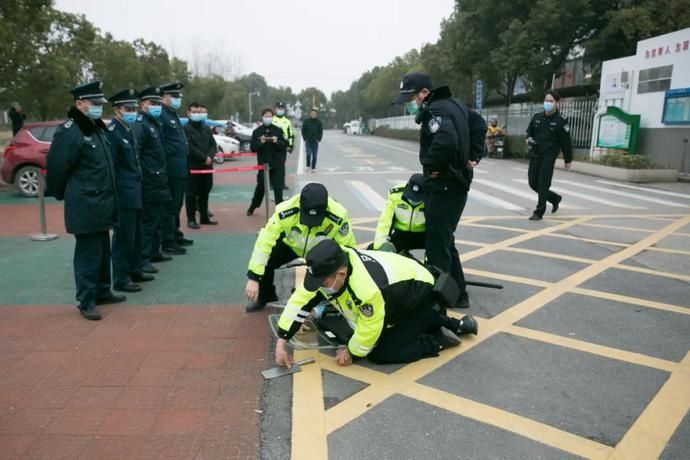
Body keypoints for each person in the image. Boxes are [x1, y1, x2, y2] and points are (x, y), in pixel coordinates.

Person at [275, 239, 478, 366]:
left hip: (421, 298)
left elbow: (370, 328)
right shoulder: (332, 267)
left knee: (382, 352)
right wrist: (281, 342)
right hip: (399, 294)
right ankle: (454, 324)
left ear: (341, 274)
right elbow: (300, 300)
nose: (320, 286)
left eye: (323, 282)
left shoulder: (367, 289)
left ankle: (436, 340)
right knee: (355, 328)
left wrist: (352, 352)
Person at [392, 72, 486, 309]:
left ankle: (439, 301)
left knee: (436, 246)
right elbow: (478, 123)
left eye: (412, 98)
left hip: (445, 185)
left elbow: (446, 141)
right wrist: (473, 155)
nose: (412, 105)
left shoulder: (436, 111)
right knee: (444, 240)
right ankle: (459, 293)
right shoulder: (453, 104)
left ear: (424, 93)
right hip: (454, 184)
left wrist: (430, 166)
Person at [45, 81, 125, 320]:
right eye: (94, 103)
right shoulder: (71, 130)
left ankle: (102, 290)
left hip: (101, 202)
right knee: (88, 254)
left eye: (100, 103)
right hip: (86, 204)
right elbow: (57, 167)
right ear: (79, 104)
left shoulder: (94, 127)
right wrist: (65, 194)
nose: (99, 107)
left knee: (101, 249)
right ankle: (86, 299)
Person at [244, 182, 355, 312]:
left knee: (338, 265)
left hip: (319, 251)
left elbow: (348, 249)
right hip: (291, 246)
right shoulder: (284, 210)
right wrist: (254, 278)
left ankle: (329, 300)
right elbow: (264, 243)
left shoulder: (339, 215)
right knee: (267, 259)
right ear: (300, 206)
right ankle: (266, 295)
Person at [107, 88, 154, 293]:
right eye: (128, 108)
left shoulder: (128, 128)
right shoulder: (113, 132)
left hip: (135, 190)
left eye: (135, 108)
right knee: (123, 237)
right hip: (123, 194)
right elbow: (113, 167)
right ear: (117, 110)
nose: (133, 112)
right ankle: (121, 278)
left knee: (136, 235)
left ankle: (135, 270)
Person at [133, 86, 172, 272]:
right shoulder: (141, 124)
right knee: (148, 222)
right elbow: (137, 153)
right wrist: (146, 175)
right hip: (149, 181)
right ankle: (143, 258)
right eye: (152, 103)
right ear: (142, 105)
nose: (156, 106)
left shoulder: (154, 123)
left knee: (156, 219)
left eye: (158, 103)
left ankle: (154, 252)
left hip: (159, 180)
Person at [526, 90, 573, 221]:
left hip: (548, 157)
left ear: (557, 103)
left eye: (551, 101)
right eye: (546, 100)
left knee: (543, 184)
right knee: (533, 183)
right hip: (535, 155)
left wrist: (567, 159)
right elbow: (529, 133)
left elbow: (566, 142)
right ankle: (554, 198)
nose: (548, 103)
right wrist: (528, 139)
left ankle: (539, 211)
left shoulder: (561, 121)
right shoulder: (537, 117)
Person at [158, 82, 192, 254]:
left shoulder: (172, 114)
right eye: (175, 96)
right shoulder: (162, 115)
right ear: (164, 97)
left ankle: (176, 234)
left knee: (177, 204)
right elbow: (162, 142)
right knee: (170, 207)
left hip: (179, 167)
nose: (178, 100)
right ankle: (168, 241)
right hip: (171, 168)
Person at [370, 174, 426, 253]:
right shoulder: (396, 195)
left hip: (424, 235)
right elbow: (385, 222)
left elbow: (436, 227)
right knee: (373, 248)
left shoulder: (432, 197)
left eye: (417, 198)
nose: (413, 200)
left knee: (443, 251)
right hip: (401, 235)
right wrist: (380, 248)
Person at [246, 108, 288, 216]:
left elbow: (284, 145)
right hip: (263, 165)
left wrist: (276, 141)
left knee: (278, 188)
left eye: (270, 116)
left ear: (272, 117)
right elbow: (253, 147)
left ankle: (279, 210)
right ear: (262, 117)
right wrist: (261, 143)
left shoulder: (278, 130)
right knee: (261, 187)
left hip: (277, 164)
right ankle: (253, 206)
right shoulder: (257, 132)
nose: (268, 118)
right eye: (266, 116)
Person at [183, 102, 218, 229]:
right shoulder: (185, 129)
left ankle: (204, 217)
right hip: (193, 166)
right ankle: (191, 219)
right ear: (188, 113)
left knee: (205, 192)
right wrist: (204, 158)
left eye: (199, 112)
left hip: (207, 167)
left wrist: (210, 157)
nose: (197, 114)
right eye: (194, 112)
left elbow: (213, 145)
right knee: (191, 194)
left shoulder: (206, 128)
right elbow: (189, 148)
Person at [301, 108, 323, 173]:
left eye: (315, 114)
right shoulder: (306, 121)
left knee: (314, 155)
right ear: (310, 114)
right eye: (312, 113)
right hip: (308, 140)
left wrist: (319, 139)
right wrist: (305, 138)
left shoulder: (319, 122)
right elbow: (303, 130)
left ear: (316, 115)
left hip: (315, 141)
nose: (313, 115)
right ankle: (308, 165)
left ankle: (313, 168)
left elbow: (320, 131)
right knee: (308, 153)